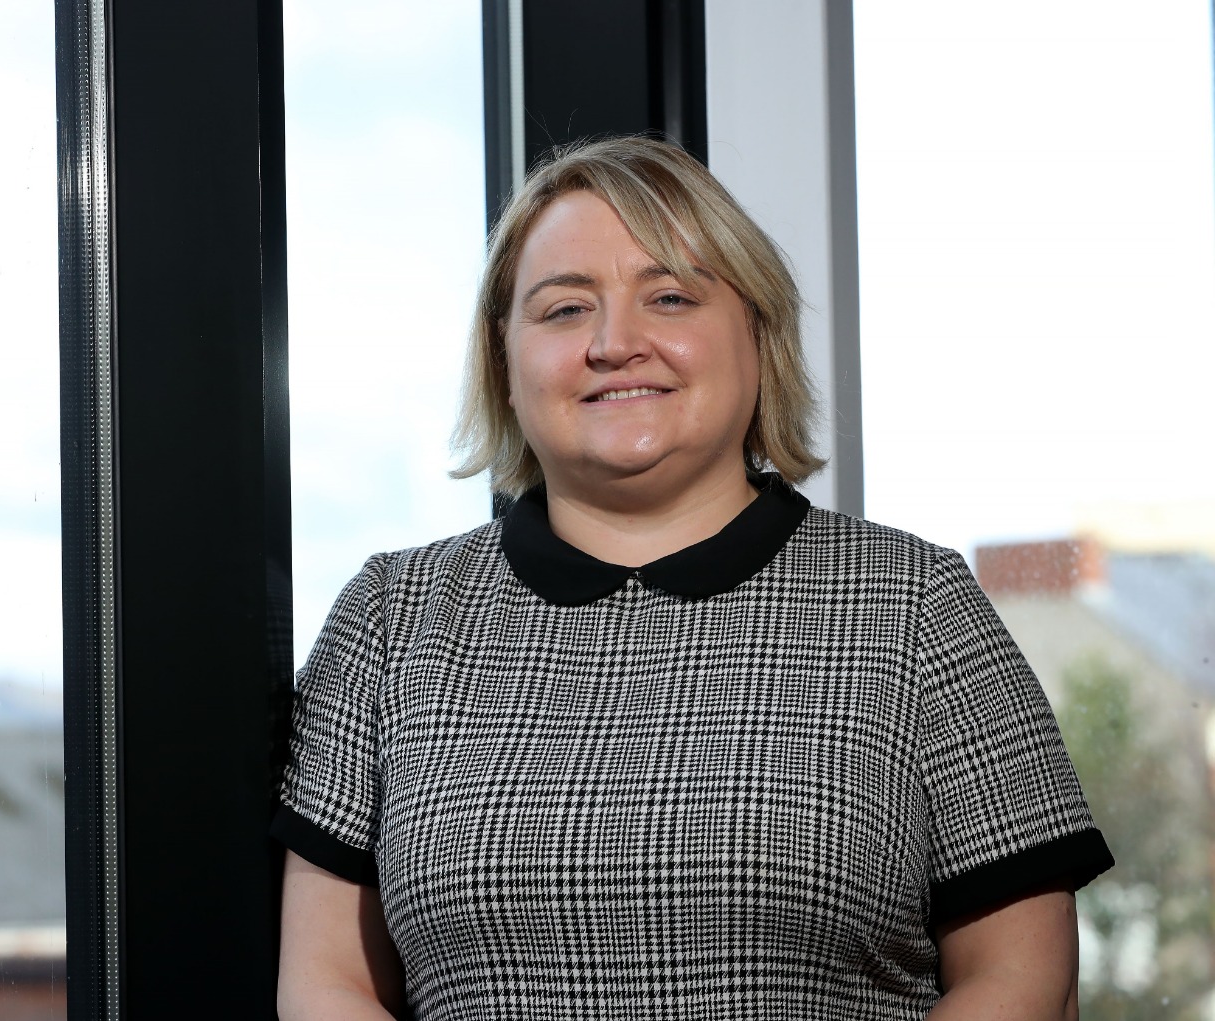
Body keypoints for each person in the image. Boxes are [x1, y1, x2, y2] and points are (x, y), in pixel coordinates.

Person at [272, 136, 1112, 1019]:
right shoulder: (391, 617)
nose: (614, 344)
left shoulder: (916, 604)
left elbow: (1020, 979)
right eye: (564, 309)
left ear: (758, 334)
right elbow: (328, 981)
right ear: (505, 364)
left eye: (669, 297)